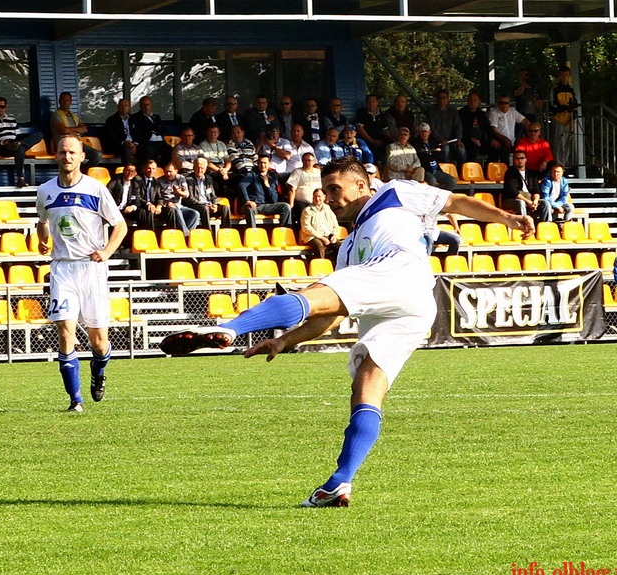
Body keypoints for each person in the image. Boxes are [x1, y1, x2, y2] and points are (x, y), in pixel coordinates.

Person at [159, 156, 534, 508]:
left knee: (312, 294)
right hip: (413, 305)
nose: (329, 197)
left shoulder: (394, 192)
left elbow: (453, 201)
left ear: (361, 184)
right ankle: (340, 481)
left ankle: (228, 327)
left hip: (399, 272)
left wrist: (508, 219)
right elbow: (329, 317)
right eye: (325, 189)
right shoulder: (349, 248)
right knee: (367, 385)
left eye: (336, 189)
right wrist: (285, 339)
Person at [35, 135, 127, 413]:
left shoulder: (96, 189)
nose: (67, 156)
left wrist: (107, 252)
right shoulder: (45, 191)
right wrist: (43, 239)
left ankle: (98, 373)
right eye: (62, 151)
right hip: (62, 268)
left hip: (92, 269)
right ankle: (75, 401)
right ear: (56, 156)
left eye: (72, 152)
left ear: (82, 157)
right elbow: (42, 222)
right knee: (65, 333)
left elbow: (119, 226)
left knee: (99, 343)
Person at [0, 95, 43, 188]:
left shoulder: (12, 120)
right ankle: (20, 178)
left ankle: (19, 144)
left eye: (2, 107)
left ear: (5, 107)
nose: (0, 109)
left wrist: (18, 141)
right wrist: (2, 142)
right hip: (1, 147)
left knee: (39, 134)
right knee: (20, 149)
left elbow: (18, 134)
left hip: (14, 142)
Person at [49, 91, 101, 172]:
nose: (66, 103)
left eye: (68, 100)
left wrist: (70, 130)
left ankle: (81, 172)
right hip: (64, 143)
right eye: (63, 100)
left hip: (78, 142)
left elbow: (84, 129)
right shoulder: (56, 115)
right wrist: (76, 130)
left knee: (97, 155)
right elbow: (64, 130)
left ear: (71, 102)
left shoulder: (74, 115)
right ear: (59, 101)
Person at [238, 155, 291, 227]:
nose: (262, 165)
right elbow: (241, 185)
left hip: (266, 206)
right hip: (253, 205)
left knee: (286, 206)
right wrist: (247, 201)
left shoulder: (272, 177)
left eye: (265, 163)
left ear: (269, 164)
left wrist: (267, 186)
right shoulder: (251, 174)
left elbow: (274, 200)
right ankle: (253, 233)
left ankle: (283, 232)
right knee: (249, 209)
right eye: (260, 163)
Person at [502, 151, 551, 224]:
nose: (520, 160)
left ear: (526, 159)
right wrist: (528, 202)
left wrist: (535, 201)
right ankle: (525, 225)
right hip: (513, 199)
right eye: (517, 158)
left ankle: (544, 226)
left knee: (545, 203)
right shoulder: (510, 173)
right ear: (514, 160)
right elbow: (513, 192)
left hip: (530, 199)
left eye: (522, 158)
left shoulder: (532, 173)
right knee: (521, 203)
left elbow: (536, 190)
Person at [154, 162, 200, 237]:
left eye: (170, 171)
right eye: (166, 171)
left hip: (179, 205)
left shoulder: (181, 178)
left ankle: (183, 235)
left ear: (176, 171)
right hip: (166, 207)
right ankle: (186, 236)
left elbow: (186, 194)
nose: (168, 174)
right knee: (177, 211)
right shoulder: (159, 181)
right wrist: (166, 203)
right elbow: (158, 197)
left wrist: (178, 192)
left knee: (195, 214)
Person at [184, 157, 231, 229]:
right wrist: (205, 204)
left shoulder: (208, 179)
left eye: (202, 168)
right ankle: (209, 233)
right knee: (204, 208)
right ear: (194, 167)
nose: (199, 170)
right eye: (197, 167)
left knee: (225, 208)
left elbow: (213, 196)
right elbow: (189, 198)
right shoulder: (188, 179)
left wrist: (214, 204)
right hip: (196, 206)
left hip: (209, 205)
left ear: (206, 168)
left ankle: (226, 231)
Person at [107, 162, 154, 231]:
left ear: (135, 173)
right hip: (116, 210)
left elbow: (137, 200)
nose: (129, 173)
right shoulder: (116, 180)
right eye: (127, 170)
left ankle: (146, 234)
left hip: (128, 210)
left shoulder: (136, 183)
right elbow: (108, 193)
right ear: (123, 171)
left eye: (132, 171)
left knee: (143, 212)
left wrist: (132, 207)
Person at [426, 89, 466, 167]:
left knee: (461, 150)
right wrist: (441, 140)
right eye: (440, 98)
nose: (442, 100)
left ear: (448, 99)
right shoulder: (432, 111)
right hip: (438, 141)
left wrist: (459, 139)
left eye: (444, 98)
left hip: (452, 140)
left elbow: (458, 126)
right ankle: (446, 171)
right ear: (437, 100)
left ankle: (462, 171)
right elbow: (432, 129)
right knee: (445, 149)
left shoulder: (453, 110)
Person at [412, 123, 456, 190]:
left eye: (426, 132)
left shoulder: (434, 141)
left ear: (429, 132)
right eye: (422, 132)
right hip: (425, 171)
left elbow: (442, 156)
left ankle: (442, 197)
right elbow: (423, 157)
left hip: (436, 169)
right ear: (419, 133)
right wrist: (434, 152)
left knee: (452, 181)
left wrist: (430, 153)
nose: (424, 134)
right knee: (433, 181)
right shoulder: (416, 143)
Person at [550, 66, 578, 168]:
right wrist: (562, 108)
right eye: (562, 75)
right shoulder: (555, 88)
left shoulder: (571, 89)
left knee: (567, 140)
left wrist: (573, 110)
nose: (564, 77)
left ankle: (564, 162)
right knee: (558, 140)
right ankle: (557, 162)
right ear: (559, 76)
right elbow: (552, 104)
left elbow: (574, 103)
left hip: (569, 118)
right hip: (558, 117)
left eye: (566, 75)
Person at [300, 188, 341, 259]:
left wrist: (334, 235)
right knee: (320, 247)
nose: (317, 198)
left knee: (340, 247)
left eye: (319, 196)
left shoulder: (328, 209)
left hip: (327, 235)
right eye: (315, 196)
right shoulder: (307, 210)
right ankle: (321, 267)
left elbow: (335, 224)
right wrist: (321, 238)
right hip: (312, 237)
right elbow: (306, 228)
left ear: (324, 197)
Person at [487, 95, 529, 164]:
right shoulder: (494, 113)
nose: (503, 105)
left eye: (506, 103)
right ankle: (506, 170)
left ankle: (521, 168)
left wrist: (531, 133)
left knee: (523, 144)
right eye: (501, 103)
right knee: (505, 148)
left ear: (509, 104)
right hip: (499, 139)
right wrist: (505, 139)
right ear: (498, 104)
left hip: (512, 139)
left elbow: (525, 121)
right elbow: (494, 130)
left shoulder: (512, 111)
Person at [285, 151, 322, 224]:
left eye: (309, 160)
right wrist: (291, 205)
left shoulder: (318, 172)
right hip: (302, 203)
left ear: (313, 161)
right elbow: (291, 189)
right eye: (304, 160)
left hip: (318, 202)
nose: (307, 162)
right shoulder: (297, 172)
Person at [131, 96, 169, 164]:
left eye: (148, 105)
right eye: (144, 105)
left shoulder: (156, 117)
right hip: (147, 142)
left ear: (151, 105)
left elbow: (164, 129)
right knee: (150, 151)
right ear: (140, 106)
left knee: (170, 150)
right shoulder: (136, 117)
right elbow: (138, 132)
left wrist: (154, 130)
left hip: (160, 142)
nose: (146, 107)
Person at [103, 98, 138, 167]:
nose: (124, 108)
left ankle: (144, 172)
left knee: (148, 149)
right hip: (119, 145)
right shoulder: (111, 120)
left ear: (129, 107)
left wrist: (135, 144)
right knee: (126, 149)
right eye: (121, 106)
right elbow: (111, 137)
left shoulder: (134, 119)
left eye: (126, 106)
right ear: (118, 107)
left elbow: (139, 134)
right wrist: (124, 142)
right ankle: (128, 171)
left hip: (134, 144)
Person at [353, 94, 389, 159]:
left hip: (378, 139)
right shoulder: (361, 112)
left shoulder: (382, 115)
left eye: (373, 101)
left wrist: (392, 139)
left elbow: (385, 130)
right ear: (366, 103)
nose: (371, 103)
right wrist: (372, 140)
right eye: (369, 101)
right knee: (369, 150)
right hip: (365, 139)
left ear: (377, 103)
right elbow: (360, 129)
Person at [457, 91, 489, 164]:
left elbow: (488, 129)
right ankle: (470, 170)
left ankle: (488, 170)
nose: (473, 102)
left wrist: (493, 139)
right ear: (467, 101)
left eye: (475, 100)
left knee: (495, 147)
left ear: (479, 102)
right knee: (473, 148)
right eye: (471, 100)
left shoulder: (482, 114)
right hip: (467, 140)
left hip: (481, 140)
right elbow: (459, 130)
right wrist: (471, 139)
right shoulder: (461, 113)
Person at [198, 124, 231, 194]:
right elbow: (207, 162)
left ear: (218, 133)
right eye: (210, 132)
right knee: (217, 184)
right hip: (211, 169)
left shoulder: (222, 144)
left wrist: (226, 170)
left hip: (223, 168)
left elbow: (227, 160)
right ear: (206, 133)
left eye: (215, 132)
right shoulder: (202, 145)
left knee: (239, 178)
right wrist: (220, 170)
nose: (213, 134)